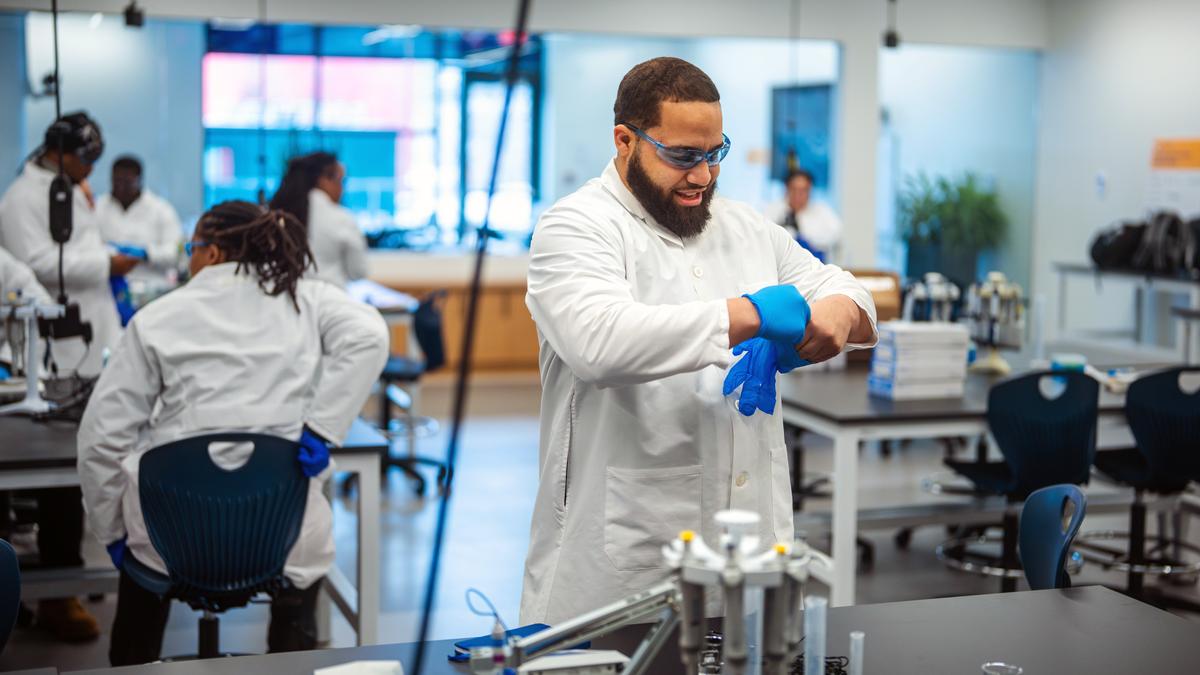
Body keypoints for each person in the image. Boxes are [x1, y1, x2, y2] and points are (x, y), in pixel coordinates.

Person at [520, 57, 877, 625]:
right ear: (624, 141)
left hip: (754, 557)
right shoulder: (577, 226)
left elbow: (846, 291)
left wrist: (834, 316)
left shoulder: (745, 226)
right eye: (683, 156)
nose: (703, 176)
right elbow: (598, 343)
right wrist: (750, 315)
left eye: (715, 154)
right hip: (625, 565)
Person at [76, 201, 389, 665]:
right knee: (308, 545)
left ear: (215, 252)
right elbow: (371, 336)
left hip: (170, 538)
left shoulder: (157, 318)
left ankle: (134, 665)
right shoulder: (302, 297)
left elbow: (101, 438)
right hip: (279, 536)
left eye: (192, 249)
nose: (188, 260)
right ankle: (293, 663)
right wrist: (321, 430)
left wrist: (112, 531)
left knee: (141, 571)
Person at [0, 112, 138, 643]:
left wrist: (105, 262)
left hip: (83, 337)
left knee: (73, 462)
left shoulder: (68, 187)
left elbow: (38, 273)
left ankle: (64, 587)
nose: (91, 171)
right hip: (47, 351)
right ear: (58, 150)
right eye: (86, 159)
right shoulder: (21, 198)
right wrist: (105, 263)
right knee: (47, 464)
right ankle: (44, 590)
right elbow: (36, 263)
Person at [269, 151, 368, 288]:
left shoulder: (275, 214)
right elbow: (358, 271)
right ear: (323, 180)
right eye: (341, 181)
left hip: (285, 299)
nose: (342, 190)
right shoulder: (341, 218)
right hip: (332, 299)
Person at [95, 155, 184, 289]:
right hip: (107, 288)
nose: (120, 187)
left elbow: (176, 254)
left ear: (139, 180)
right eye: (116, 181)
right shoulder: (97, 208)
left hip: (151, 287)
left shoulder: (161, 210)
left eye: (127, 182)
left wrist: (146, 253)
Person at [764, 168, 843, 263]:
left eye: (803, 190)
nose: (798, 195)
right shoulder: (773, 211)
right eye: (794, 189)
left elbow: (835, 235)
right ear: (787, 189)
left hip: (815, 269)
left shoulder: (822, 212)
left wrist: (803, 235)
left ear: (810, 190)